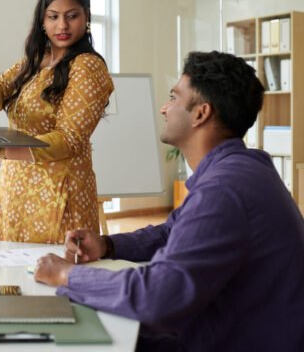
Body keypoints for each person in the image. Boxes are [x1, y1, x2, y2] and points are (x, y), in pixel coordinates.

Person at [34, 51, 304, 351]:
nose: (164, 108)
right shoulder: (242, 168)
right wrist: (108, 245)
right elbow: (170, 232)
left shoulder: (225, 189)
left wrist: (67, 274)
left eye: (174, 97)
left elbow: (158, 297)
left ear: (201, 113)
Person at [0, 0, 114, 243]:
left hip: (59, 195)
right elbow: (2, 87)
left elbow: (69, 139)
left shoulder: (87, 66)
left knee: (48, 278)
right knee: (10, 276)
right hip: (16, 188)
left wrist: (2, 149)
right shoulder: (38, 59)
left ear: (86, 16)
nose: (62, 25)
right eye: (53, 16)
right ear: (42, 19)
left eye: (72, 16)